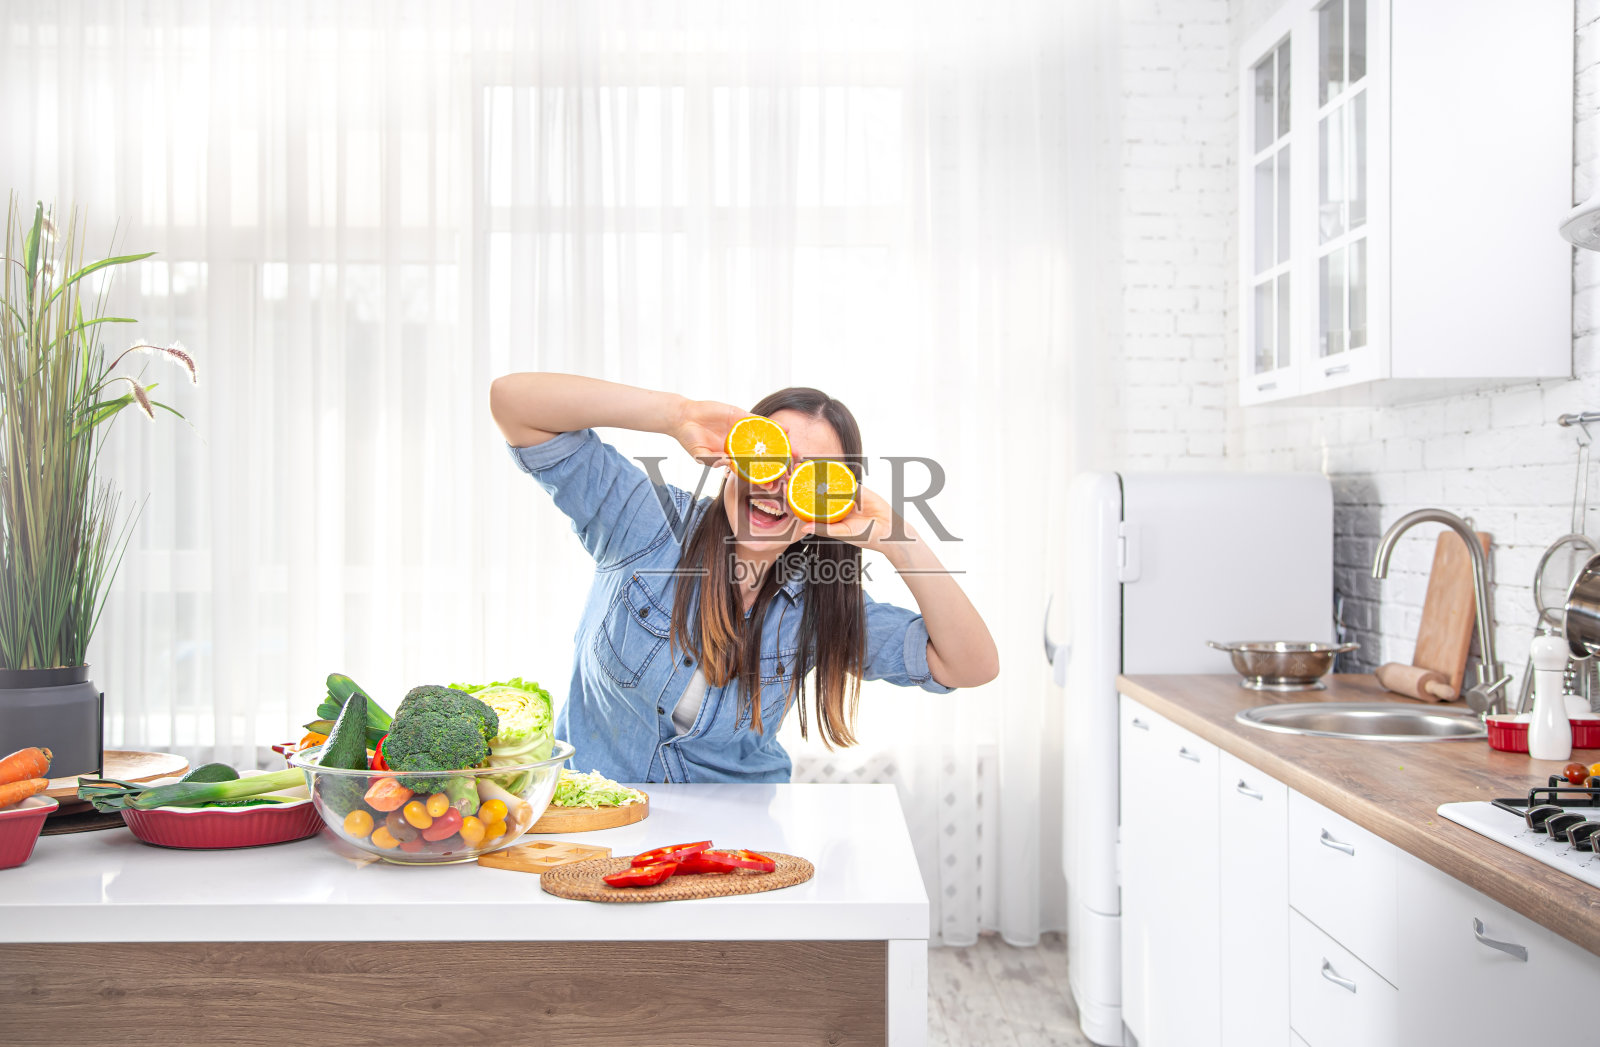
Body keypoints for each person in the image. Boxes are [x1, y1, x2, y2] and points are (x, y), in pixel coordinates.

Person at [488, 373, 999, 783]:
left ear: (830, 503)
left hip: (737, 841)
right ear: (733, 459)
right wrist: (676, 414)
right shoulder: (647, 524)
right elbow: (513, 403)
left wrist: (898, 538)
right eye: (766, 457)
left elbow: (970, 665)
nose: (777, 486)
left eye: (811, 477)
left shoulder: (822, 603)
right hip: (600, 822)